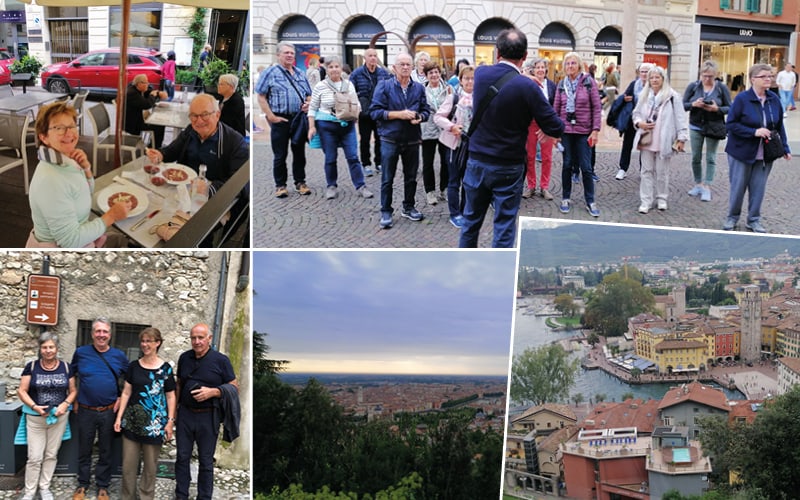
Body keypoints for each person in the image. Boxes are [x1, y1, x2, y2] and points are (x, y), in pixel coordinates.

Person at [459, 28, 563, 248]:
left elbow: (503, 76)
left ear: (497, 52)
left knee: (470, 223)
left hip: (477, 161)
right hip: (508, 165)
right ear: (525, 56)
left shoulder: (481, 74)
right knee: (504, 227)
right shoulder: (528, 86)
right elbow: (556, 126)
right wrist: (547, 129)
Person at [27, 102, 131, 249]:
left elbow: (85, 192)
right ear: (44, 137)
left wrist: (86, 169)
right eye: (59, 128)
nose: (69, 133)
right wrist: (111, 216)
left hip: (83, 235)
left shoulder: (64, 160)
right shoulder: (50, 180)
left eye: (71, 126)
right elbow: (71, 241)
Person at [723, 63, 791, 233]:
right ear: (753, 79)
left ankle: (753, 220)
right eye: (764, 76)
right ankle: (732, 217)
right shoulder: (742, 99)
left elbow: (779, 126)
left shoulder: (774, 100)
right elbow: (730, 124)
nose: (768, 79)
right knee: (738, 188)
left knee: (758, 189)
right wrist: (754, 132)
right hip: (741, 152)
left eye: (770, 76)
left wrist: (785, 147)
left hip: (765, 154)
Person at [175, 323, 239, 500]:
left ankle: (204, 497)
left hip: (208, 415)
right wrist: (174, 414)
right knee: (182, 457)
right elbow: (179, 384)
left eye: (200, 337)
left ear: (209, 338)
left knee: (205, 461)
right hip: (186, 414)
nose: (196, 341)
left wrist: (213, 392)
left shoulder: (221, 360)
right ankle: (181, 495)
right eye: (193, 338)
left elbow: (234, 387)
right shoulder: (184, 358)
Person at [369, 52, 430, 229]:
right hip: (390, 139)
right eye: (401, 64)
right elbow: (374, 112)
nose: (405, 67)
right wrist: (399, 114)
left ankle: (408, 207)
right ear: (394, 67)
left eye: (408, 64)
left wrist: (420, 117)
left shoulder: (418, 88)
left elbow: (426, 111)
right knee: (387, 178)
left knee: (411, 178)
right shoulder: (384, 86)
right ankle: (386, 210)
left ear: (412, 67)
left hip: (412, 139)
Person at [114, 328, 176, 500]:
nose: (145, 344)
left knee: (150, 468)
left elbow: (171, 396)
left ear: (158, 343)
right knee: (128, 467)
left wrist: (170, 421)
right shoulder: (133, 366)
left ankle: (146, 497)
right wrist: (119, 418)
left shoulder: (165, 370)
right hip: (132, 423)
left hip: (154, 426)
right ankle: (127, 497)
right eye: (143, 341)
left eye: (149, 341)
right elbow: (126, 393)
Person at [71, 318, 129, 500]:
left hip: (109, 410)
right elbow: (71, 374)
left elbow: (129, 379)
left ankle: (103, 486)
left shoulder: (119, 356)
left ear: (110, 335)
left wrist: (121, 397)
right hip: (86, 409)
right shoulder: (81, 353)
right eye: (98, 331)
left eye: (105, 332)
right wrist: (73, 396)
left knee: (106, 450)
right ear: (92, 333)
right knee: (84, 449)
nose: (101, 335)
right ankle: (83, 484)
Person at [146, 94, 248, 195]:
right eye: (194, 115)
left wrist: (209, 189)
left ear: (217, 115)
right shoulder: (191, 130)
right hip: (181, 189)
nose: (199, 121)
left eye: (205, 114)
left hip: (214, 199)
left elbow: (239, 185)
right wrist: (161, 154)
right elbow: (173, 150)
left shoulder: (235, 142)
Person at [17, 332, 77, 500]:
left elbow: (73, 391)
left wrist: (65, 404)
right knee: (34, 457)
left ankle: (44, 487)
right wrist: (34, 406)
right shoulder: (32, 366)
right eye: (44, 347)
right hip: (35, 418)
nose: (48, 350)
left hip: (58, 417)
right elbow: (22, 390)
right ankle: (29, 491)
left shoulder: (66, 367)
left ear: (57, 349)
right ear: (40, 348)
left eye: (51, 347)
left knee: (51, 454)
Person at [307, 56, 373, 200]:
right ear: (327, 69)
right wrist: (311, 127)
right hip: (327, 126)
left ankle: (361, 185)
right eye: (331, 67)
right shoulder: (320, 86)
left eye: (337, 66)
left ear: (341, 68)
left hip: (347, 125)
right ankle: (331, 186)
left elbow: (356, 103)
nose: (334, 69)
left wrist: (355, 115)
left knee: (353, 157)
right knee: (330, 158)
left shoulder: (348, 84)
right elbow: (313, 107)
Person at [256, 42, 313, 198]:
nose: (289, 55)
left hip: (298, 119)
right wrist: (271, 116)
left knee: (299, 152)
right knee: (280, 154)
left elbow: (309, 94)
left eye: (292, 53)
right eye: (286, 53)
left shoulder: (300, 73)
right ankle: (280, 185)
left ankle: (300, 182)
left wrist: (308, 104)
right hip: (280, 119)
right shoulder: (270, 72)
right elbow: (261, 96)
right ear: (278, 55)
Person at [631, 65, 688, 213]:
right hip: (647, 138)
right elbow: (636, 114)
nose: (654, 80)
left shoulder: (672, 96)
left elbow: (680, 118)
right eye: (652, 77)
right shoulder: (644, 95)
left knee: (662, 172)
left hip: (664, 139)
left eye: (657, 77)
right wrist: (639, 123)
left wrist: (681, 138)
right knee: (646, 171)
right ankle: (646, 200)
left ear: (663, 79)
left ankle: (662, 198)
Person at [552, 51, 602, 217]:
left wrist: (595, 130)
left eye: (573, 63)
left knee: (586, 167)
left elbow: (596, 107)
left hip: (583, 131)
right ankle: (565, 198)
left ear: (579, 65)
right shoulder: (561, 84)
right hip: (566, 131)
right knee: (566, 165)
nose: (570, 66)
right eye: (567, 63)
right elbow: (556, 109)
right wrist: (556, 132)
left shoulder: (588, 82)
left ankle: (590, 200)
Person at [682, 60, 732, 202]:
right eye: (704, 75)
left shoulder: (721, 88)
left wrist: (717, 109)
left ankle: (707, 186)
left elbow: (731, 107)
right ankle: (698, 183)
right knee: (695, 157)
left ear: (715, 75)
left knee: (711, 157)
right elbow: (683, 105)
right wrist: (694, 104)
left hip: (714, 126)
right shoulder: (693, 87)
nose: (707, 79)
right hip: (696, 126)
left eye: (710, 76)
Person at [434, 65, 474, 228]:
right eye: (467, 78)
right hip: (454, 145)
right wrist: (452, 127)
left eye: (472, 78)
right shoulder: (454, 98)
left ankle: (465, 210)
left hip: (472, 146)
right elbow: (437, 117)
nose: (470, 81)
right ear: (461, 80)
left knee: (468, 181)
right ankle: (454, 213)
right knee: (454, 180)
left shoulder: (480, 99)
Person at [350, 48, 391, 176]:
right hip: (364, 113)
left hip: (379, 112)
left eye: (375, 55)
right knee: (365, 139)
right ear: (365, 58)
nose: (373, 58)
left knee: (380, 139)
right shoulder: (357, 73)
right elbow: (350, 92)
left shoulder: (383, 73)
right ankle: (366, 164)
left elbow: (389, 90)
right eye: (370, 56)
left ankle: (379, 162)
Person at [522, 57, 557, 200]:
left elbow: (555, 105)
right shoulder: (528, 84)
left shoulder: (552, 86)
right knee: (530, 156)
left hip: (546, 124)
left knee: (546, 157)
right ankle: (531, 186)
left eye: (543, 67)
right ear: (533, 70)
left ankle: (544, 186)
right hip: (531, 123)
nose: (541, 70)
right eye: (538, 67)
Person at [615, 62, 654, 180]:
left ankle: (644, 169)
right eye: (642, 71)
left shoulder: (654, 85)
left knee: (645, 145)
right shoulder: (634, 84)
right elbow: (625, 96)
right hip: (632, 120)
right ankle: (623, 168)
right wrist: (626, 98)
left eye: (647, 71)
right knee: (627, 144)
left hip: (647, 120)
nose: (644, 74)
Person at [420, 61, 451, 206]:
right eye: (431, 73)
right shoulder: (421, 91)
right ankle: (430, 191)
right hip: (428, 129)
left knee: (446, 161)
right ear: (426, 76)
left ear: (440, 73)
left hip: (444, 130)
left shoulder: (448, 89)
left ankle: (444, 189)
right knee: (428, 163)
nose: (434, 75)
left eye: (436, 72)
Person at [124, 73, 167, 148]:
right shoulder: (132, 93)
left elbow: (148, 91)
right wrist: (152, 95)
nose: (148, 84)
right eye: (146, 83)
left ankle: (153, 144)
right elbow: (146, 105)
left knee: (158, 123)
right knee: (159, 125)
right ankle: (155, 147)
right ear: (140, 84)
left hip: (136, 119)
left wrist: (158, 93)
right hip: (133, 124)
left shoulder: (135, 87)